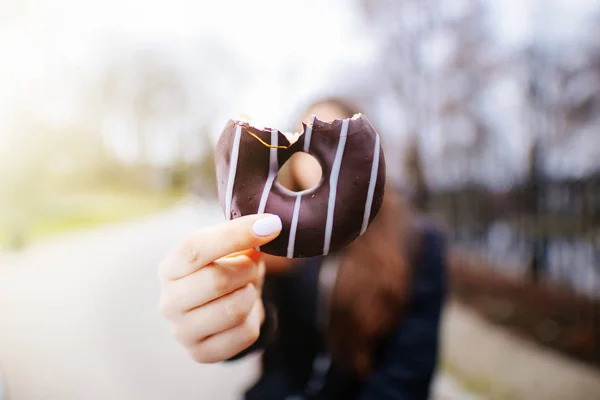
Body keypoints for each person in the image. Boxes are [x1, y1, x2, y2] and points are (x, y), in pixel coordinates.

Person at [158, 98, 447, 399]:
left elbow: (409, 375)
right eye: (303, 142)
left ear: (364, 157)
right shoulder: (273, 234)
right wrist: (230, 314)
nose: (313, 157)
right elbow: (261, 322)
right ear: (291, 155)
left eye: (331, 141)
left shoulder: (418, 242)